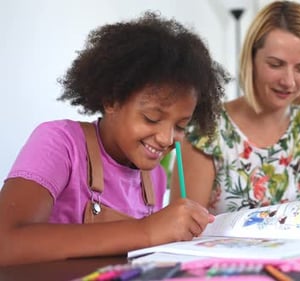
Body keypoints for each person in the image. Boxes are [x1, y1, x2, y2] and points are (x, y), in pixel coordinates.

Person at [0, 11, 228, 266]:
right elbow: (5, 243)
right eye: (152, 118)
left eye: (180, 125)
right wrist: (147, 231)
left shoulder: (153, 177)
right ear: (111, 99)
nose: (166, 139)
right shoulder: (60, 143)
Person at [170, 1, 300, 215]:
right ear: (251, 59)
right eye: (275, 65)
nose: (289, 82)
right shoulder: (208, 127)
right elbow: (182, 226)